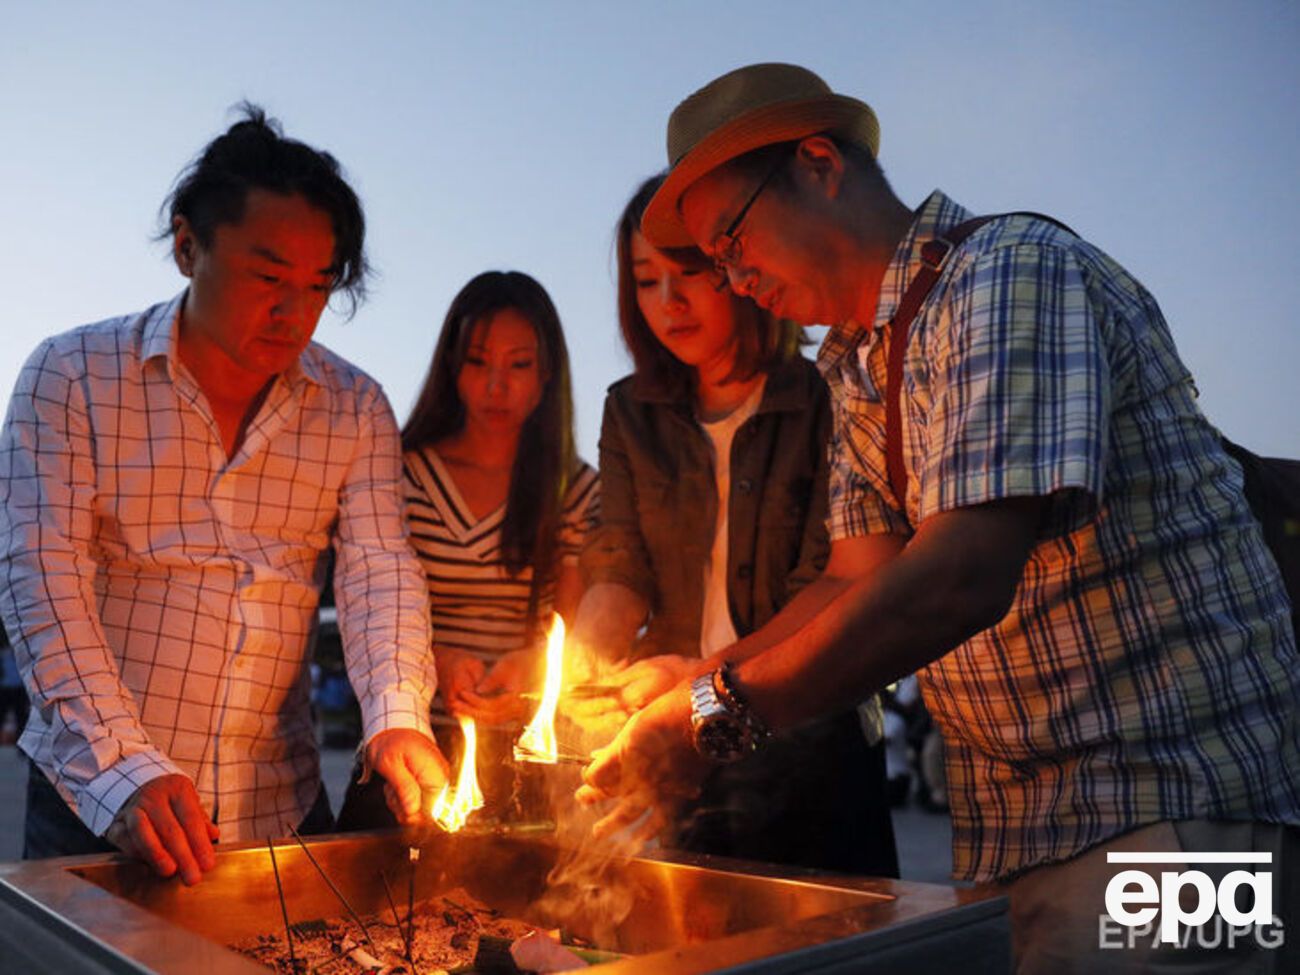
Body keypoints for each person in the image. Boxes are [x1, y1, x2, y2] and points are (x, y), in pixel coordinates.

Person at [580, 64, 1300, 971]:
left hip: (1170, 800)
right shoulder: (859, 367)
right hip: (1020, 824)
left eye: (730, 237)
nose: (732, 273)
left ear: (818, 163)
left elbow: (961, 572)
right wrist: (695, 681)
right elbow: (855, 577)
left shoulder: (1003, 274)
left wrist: (713, 717)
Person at [0, 106, 448, 886]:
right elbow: (43, 580)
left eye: (317, 285)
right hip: (98, 800)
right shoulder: (72, 376)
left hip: (276, 799)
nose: (294, 311)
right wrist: (123, 768)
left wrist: (396, 715)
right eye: (268, 276)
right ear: (187, 246)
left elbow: (380, 570)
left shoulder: (354, 405)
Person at [566, 174, 897, 876]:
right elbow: (620, 563)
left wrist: (702, 682)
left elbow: (832, 583)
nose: (667, 304)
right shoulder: (631, 410)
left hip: (812, 738)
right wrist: (582, 671)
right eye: (644, 281)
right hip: (683, 733)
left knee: (819, 939)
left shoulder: (824, 395)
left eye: (688, 275)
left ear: (734, 267)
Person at [336, 270, 598, 830]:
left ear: (547, 372)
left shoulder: (572, 490)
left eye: (519, 365)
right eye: (479, 362)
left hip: (521, 761)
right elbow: (373, 598)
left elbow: (573, 629)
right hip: (409, 744)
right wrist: (439, 663)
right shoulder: (400, 474)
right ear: (452, 366)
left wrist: (529, 672)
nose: (496, 386)